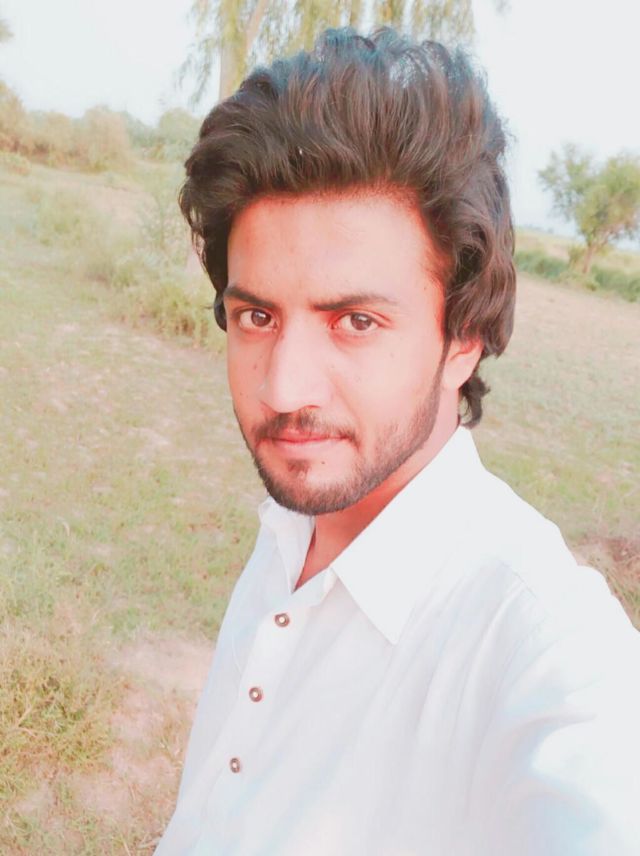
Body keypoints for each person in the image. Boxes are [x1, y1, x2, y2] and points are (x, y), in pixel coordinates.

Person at [155, 27, 640, 856]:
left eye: (355, 322)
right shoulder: (297, 520)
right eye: (256, 316)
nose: (284, 390)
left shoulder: (545, 646)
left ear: (464, 339)